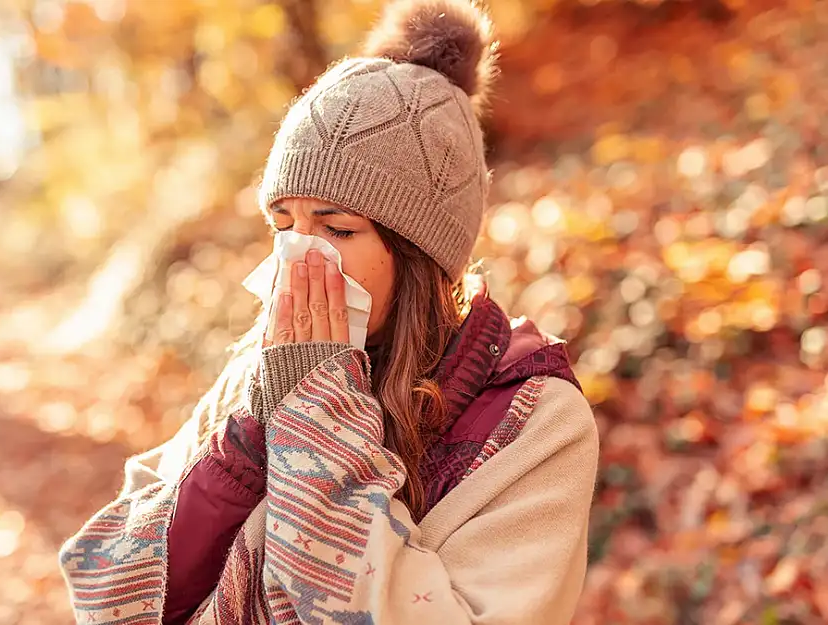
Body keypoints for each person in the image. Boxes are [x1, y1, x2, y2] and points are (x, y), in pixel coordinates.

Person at [59, 0, 599, 623]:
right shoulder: (258, 375)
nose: (296, 256)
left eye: (336, 229)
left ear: (420, 253)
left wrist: (318, 423)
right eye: (282, 223)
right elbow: (111, 594)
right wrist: (249, 443)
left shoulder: (534, 420)